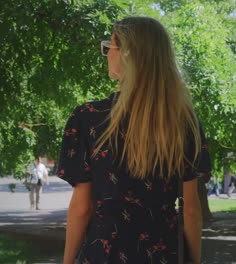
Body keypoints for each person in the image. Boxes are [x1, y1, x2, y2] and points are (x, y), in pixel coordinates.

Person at [56, 17, 211, 264]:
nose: (106, 54)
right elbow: (191, 210)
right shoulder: (184, 122)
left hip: (104, 254)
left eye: (110, 46)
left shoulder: (87, 118)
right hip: (162, 253)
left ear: (128, 55)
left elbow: (82, 208)